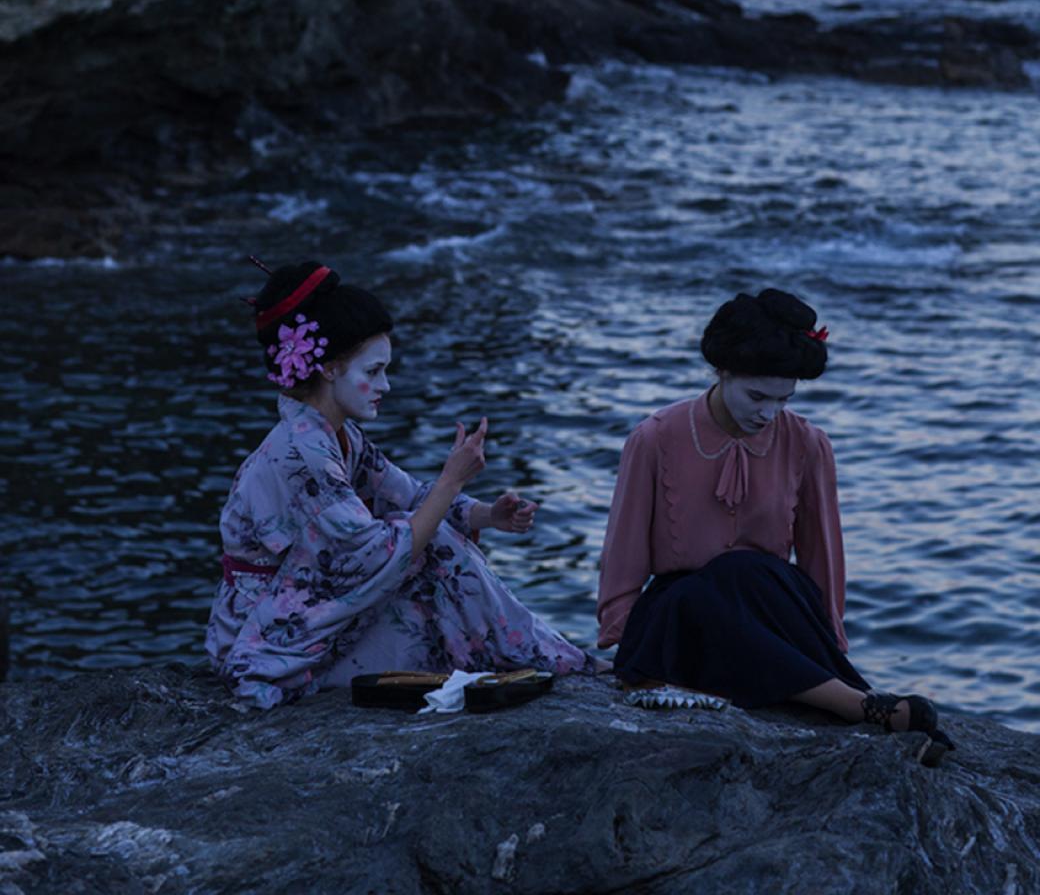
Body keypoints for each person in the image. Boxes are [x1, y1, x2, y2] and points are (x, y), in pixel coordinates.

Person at [206, 259, 596, 708]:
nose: (385, 386)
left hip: (309, 606)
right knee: (436, 549)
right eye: (372, 372)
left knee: (435, 562)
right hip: (267, 635)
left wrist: (487, 515)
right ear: (329, 368)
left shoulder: (338, 435)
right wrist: (451, 481)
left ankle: (546, 656)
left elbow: (407, 495)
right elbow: (371, 554)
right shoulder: (300, 452)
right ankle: (556, 660)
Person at [597, 287, 952, 751]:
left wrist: (828, 637)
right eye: (757, 396)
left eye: (783, 400)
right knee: (708, 587)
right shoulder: (654, 438)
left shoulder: (808, 444)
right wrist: (630, 642)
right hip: (682, 618)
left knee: (745, 572)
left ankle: (858, 704)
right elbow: (623, 552)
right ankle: (857, 705)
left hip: (767, 604)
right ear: (722, 372)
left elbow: (821, 553)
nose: (769, 413)